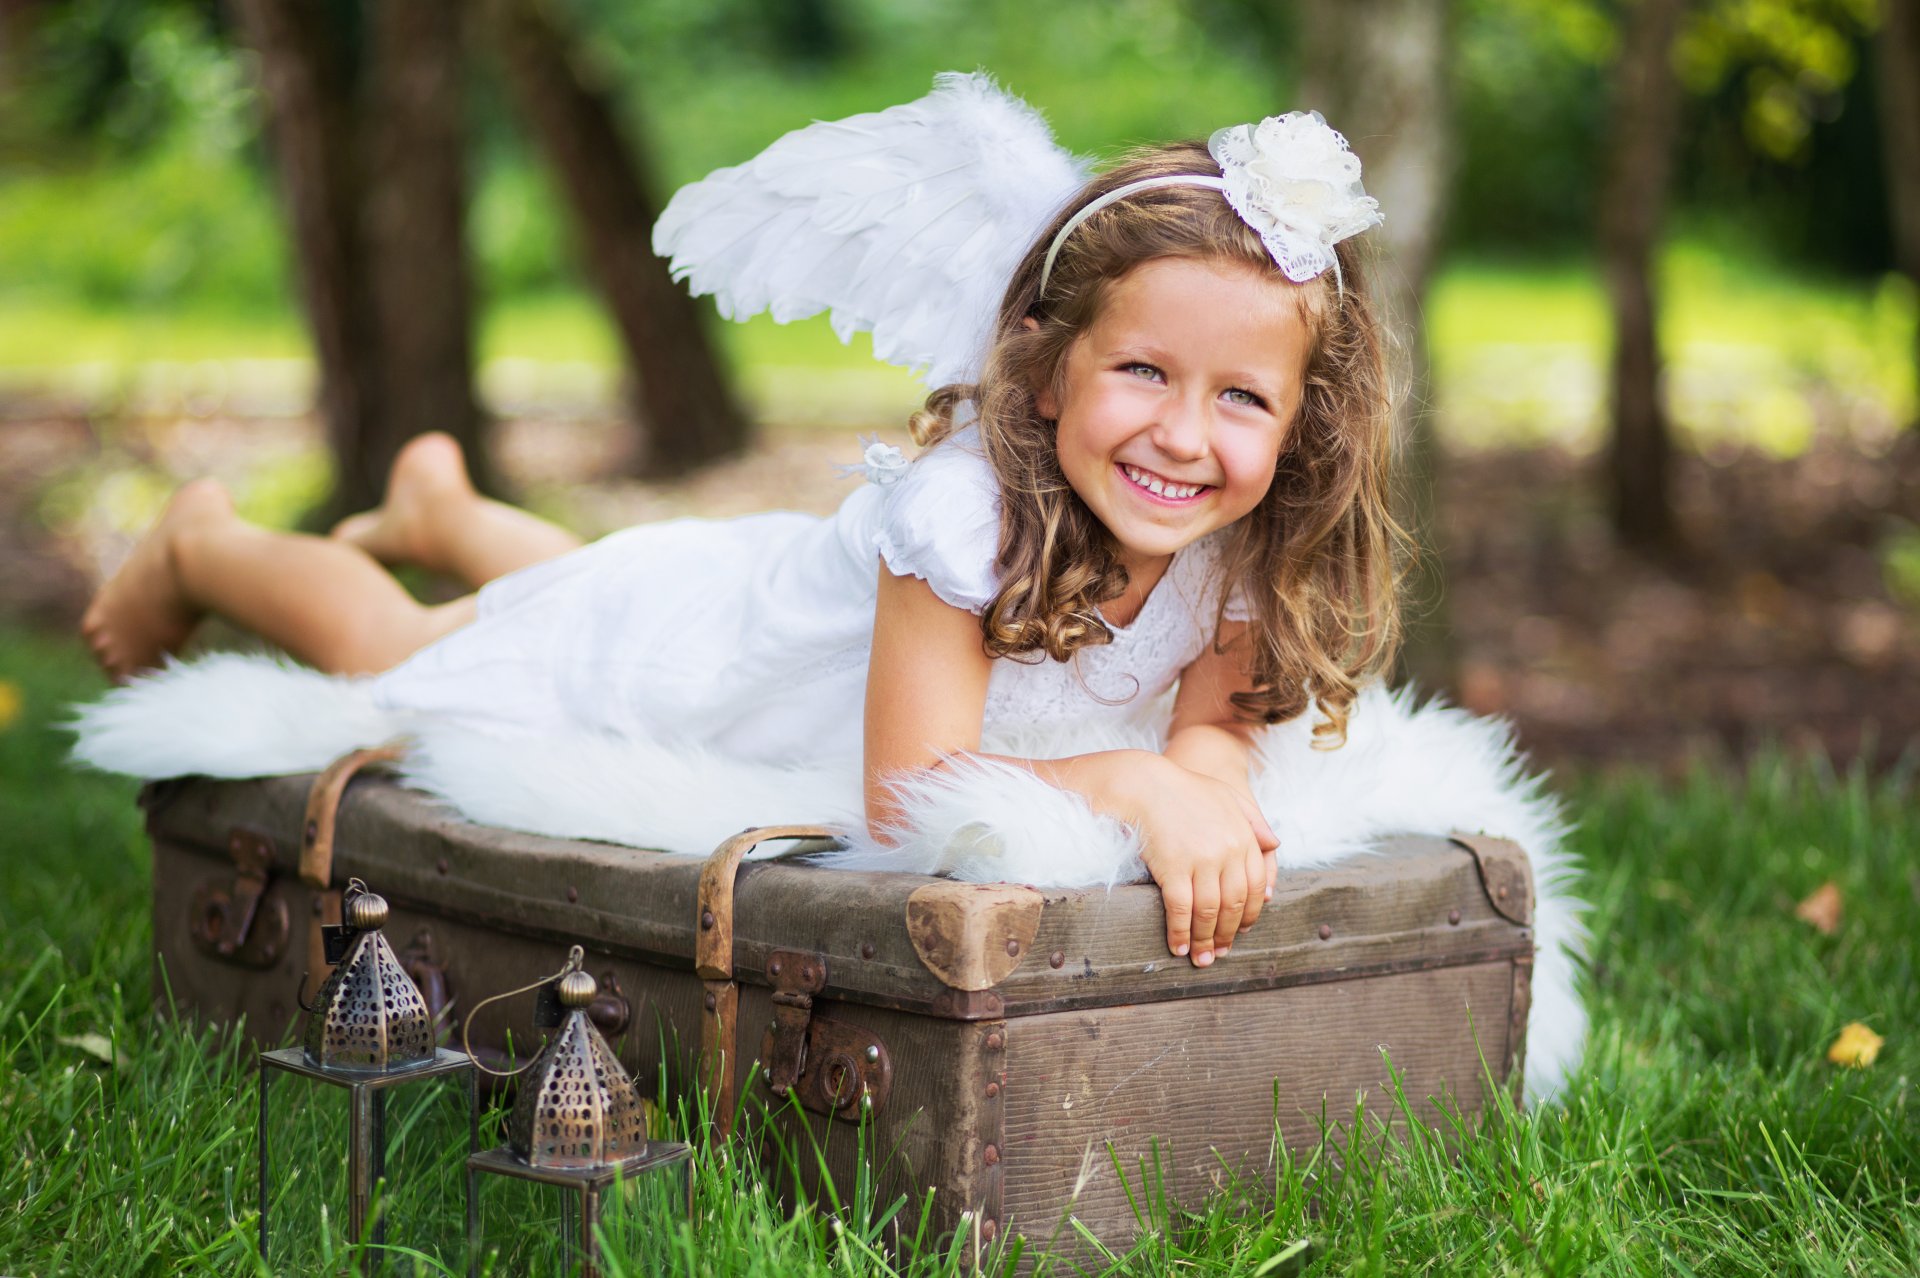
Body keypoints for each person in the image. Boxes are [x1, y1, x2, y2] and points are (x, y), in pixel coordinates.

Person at [79, 104, 1405, 972]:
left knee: (567, 583)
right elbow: (908, 793)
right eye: (1144, 374)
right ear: (1046, 369)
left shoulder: (1245, 538)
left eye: (1241, 398)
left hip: (771, 607)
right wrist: (1129, 782)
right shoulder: (964, 516)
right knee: (404, 646)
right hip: (704, 661)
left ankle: (446, 512)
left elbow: (1217, 731)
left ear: (1299, 426)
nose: (1184, 435)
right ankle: (203, 546)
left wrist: (1203, 778)